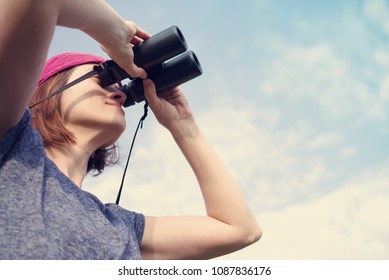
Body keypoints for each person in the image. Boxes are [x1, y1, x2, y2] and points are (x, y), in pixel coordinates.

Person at [0, 0, 261, 259]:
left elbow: (239, 229)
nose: (120, 94)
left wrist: (182, 124)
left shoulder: (121, 228)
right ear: (50, 89)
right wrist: (114, 31)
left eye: (121, 87)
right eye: (104, 77)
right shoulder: (11, 148)